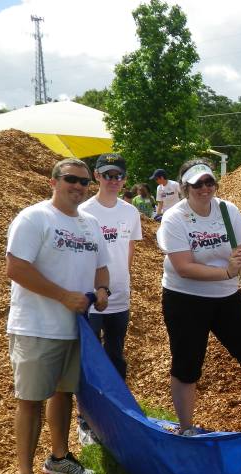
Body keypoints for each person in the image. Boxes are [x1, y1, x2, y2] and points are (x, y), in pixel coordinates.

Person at [6, 158, 110, 474]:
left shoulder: (90, 223)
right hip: (36, 326)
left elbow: (101, 266)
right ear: (53, 182)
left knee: (64, 393)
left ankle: (59, 458)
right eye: (71, 179)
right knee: (30, 401)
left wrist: (102, 289)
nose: (78, 187)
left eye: (84, 182)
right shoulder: (34, 218)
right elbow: (16, 268)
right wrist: (63, 296)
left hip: (75, 328)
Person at [156, 159, 241, 436]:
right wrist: (226, 272)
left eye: (209, 182)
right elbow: (183, 267)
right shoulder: (175, 217)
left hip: (227, 294)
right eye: (197, 184)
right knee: (187, 363)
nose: (204, 188)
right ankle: (186, 427)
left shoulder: (227, 210)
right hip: (185, 298)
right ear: (185, 187)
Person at [79, 153, 141, 387]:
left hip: (120, 296)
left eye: (118, 176)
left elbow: (130, 248)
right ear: (97, 176)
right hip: (91, 295)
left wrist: (124, 278)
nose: (113, 180)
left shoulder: (130, 212)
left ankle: (118, 401)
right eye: (108, 175)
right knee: (90, 356)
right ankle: (89, 407)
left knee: (116, 353)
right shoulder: (84, 211)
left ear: (125, 179)